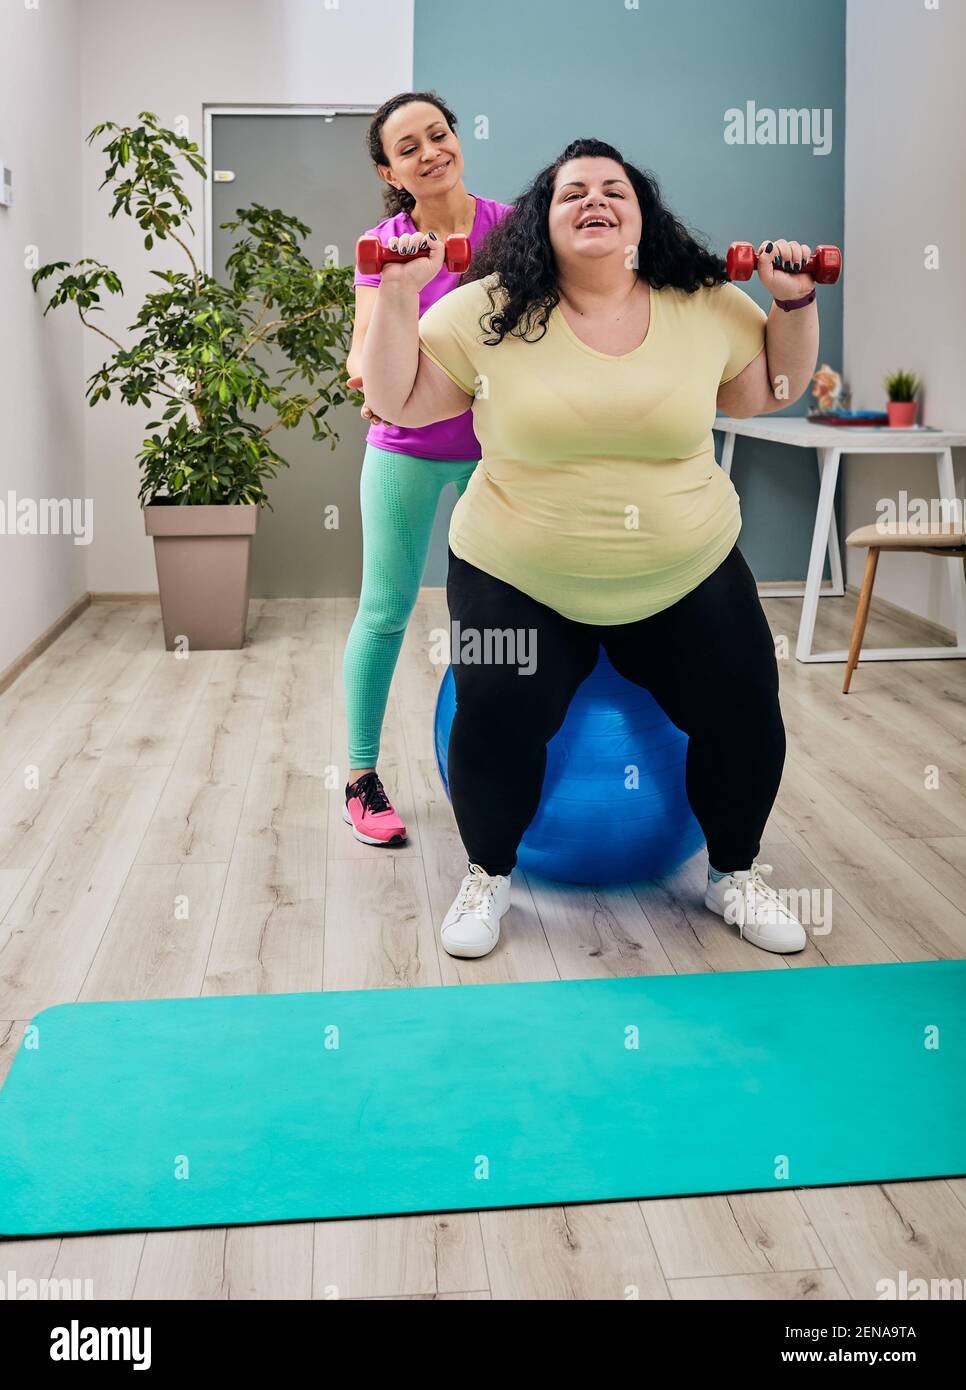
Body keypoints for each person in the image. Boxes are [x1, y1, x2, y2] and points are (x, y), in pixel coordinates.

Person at [361, 137, 821, 960]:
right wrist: (397, 294)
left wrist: (793, 306)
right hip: (517, 570)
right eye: (572, 192)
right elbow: (397, 399)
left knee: (745, 706)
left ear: (642, 216)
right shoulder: (485, 308)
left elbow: (770, 393)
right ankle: (488, 875)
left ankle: (734, 875)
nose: (594, 200)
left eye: (614, 189)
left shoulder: (704, 304)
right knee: (495, 710)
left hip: (686, 567)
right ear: (543, 218)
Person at [342, 91, 512, 847]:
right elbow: (360, 354)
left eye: (438, 135)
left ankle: (503, 764)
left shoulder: (511, 230)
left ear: (457, 139)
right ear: (390, 169)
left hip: (495, 454)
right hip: (405, 454)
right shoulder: (383, 243)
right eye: (408, 147)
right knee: (384, 612)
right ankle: (360, 777)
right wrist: (369, 369)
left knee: (498, 619)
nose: (429, 152)